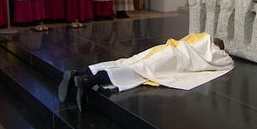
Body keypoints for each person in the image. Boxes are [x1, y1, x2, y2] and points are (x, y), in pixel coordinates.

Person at [57, 32, 234, 112]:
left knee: (127, 62)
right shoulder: (210, 47)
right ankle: (89, 82)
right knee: (138, 71)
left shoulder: (197, 36)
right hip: (173, 58)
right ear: (216, 45)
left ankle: (78, 73)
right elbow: (227, 62)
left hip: (165, 49)